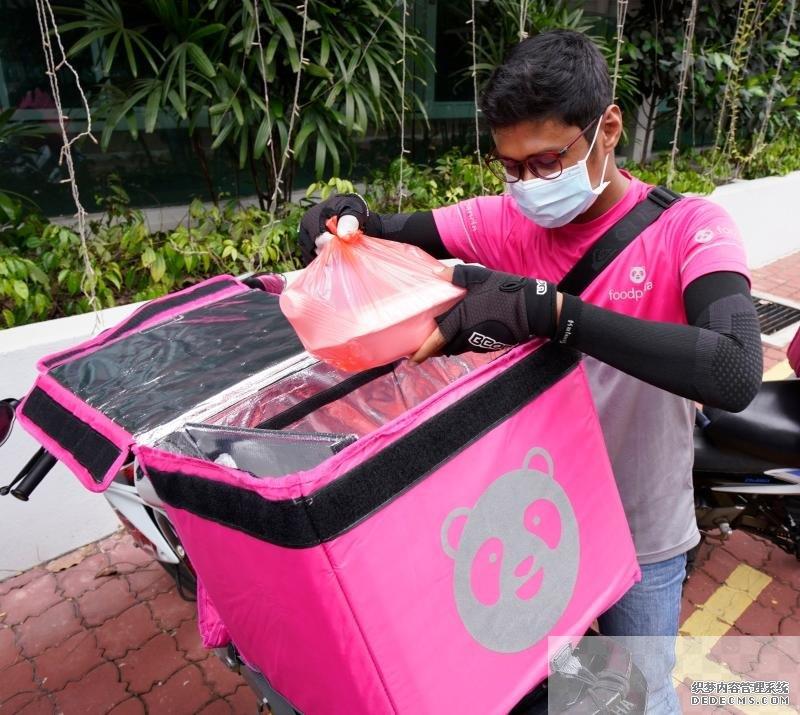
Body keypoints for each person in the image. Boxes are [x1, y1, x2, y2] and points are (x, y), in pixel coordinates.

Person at [297, 29, 762, 713]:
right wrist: (347, 220)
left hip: (642, 530)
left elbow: (734, 369)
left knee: (639, 693)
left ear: (607, 128)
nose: (528, 187)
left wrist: (554, 311)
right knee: (565, 687)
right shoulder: (505, 223)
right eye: (511, 168)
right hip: (536, 530)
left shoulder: (690, 228)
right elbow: (393, 230)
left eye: (546, 162)